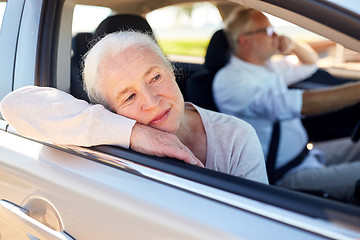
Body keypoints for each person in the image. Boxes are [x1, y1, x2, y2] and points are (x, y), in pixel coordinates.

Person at [0, 31, 268, 184]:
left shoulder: (236, 136)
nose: (152, 102)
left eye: (155, 77)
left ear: (172, 71)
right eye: (128, 97)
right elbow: (14, 104)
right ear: (109, 111)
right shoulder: (101, 131)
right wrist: (135, 134)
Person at [212, 7, 360, 202]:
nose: (276, 36)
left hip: (308, 153)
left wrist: (293, 46)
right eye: (268, 32)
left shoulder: (269, 68)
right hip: (286, 174)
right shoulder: (229, 81)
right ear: (244, 40)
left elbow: (310, 63)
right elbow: (294, 105)